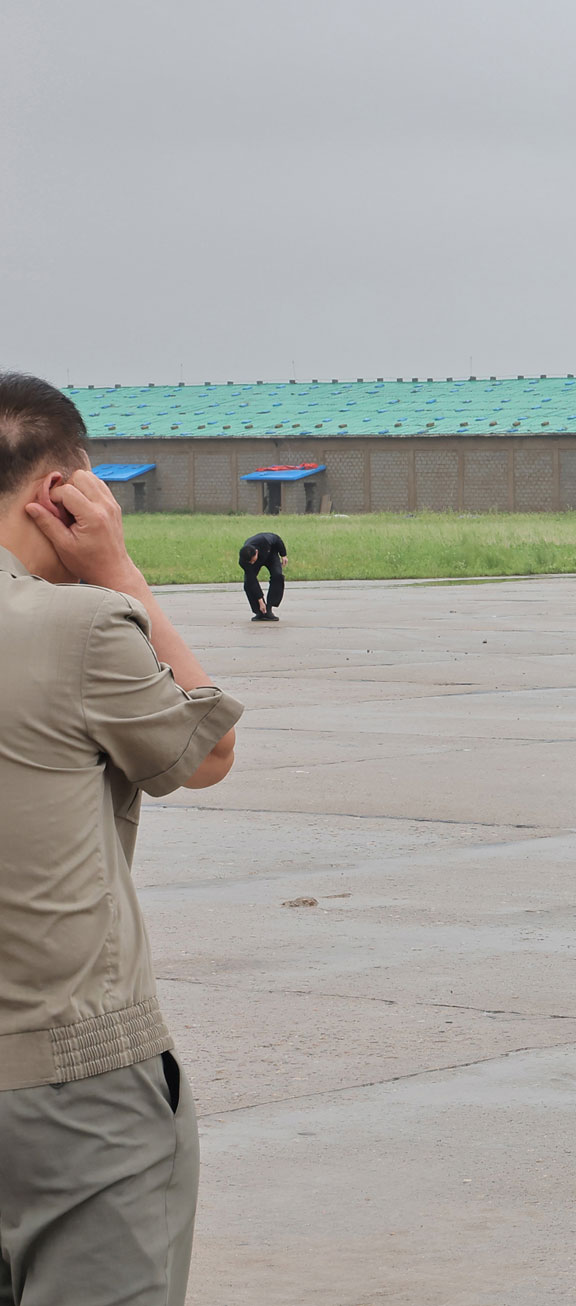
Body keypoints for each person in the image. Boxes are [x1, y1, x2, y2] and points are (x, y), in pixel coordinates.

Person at [0, 373, 241, 1306]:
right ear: (62, 493)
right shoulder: (82, 624)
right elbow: (207, 751)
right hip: (70, 1083)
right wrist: (120, 575)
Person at [239, 530, 287, 621]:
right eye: (249, 562)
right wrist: (260, 600)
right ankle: (260, 612)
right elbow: (252, 580)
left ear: (256, 552)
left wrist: (283, 555)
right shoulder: (244, 562)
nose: (251, 563)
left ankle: (269, 608)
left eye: (252, 560)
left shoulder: (265, 539)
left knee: (277, 576)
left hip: (270, 554)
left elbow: (277, 539)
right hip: (258, 557)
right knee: (248, 584)